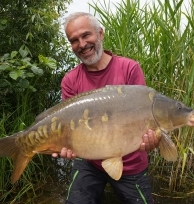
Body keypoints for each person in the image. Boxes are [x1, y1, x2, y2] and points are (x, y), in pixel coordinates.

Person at [52, 12, 160, 204]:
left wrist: (153, 139)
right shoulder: (70, 80)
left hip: (130, 163)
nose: (82, 44)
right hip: (89, 162)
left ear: (100, 34)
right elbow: (68, 127)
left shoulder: (129, 69)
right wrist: (65, 144)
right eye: (74, 40)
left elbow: (146, 119)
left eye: (86, 35)